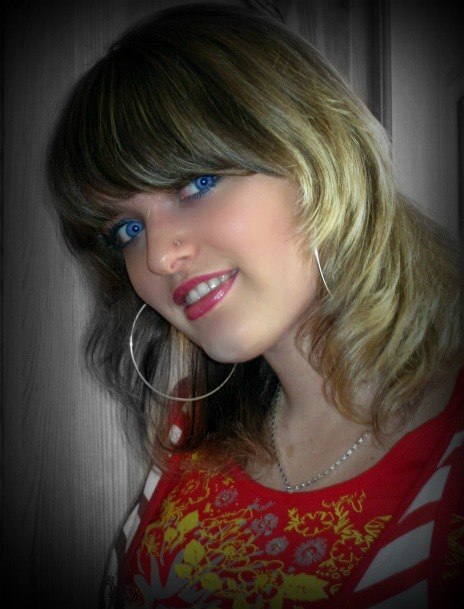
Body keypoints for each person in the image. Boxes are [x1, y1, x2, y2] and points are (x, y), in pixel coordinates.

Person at [46, 3, 464, 608]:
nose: (159, 256)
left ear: (315, 154)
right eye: (127, 230)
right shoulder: (189, 438)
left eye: (197, 184)